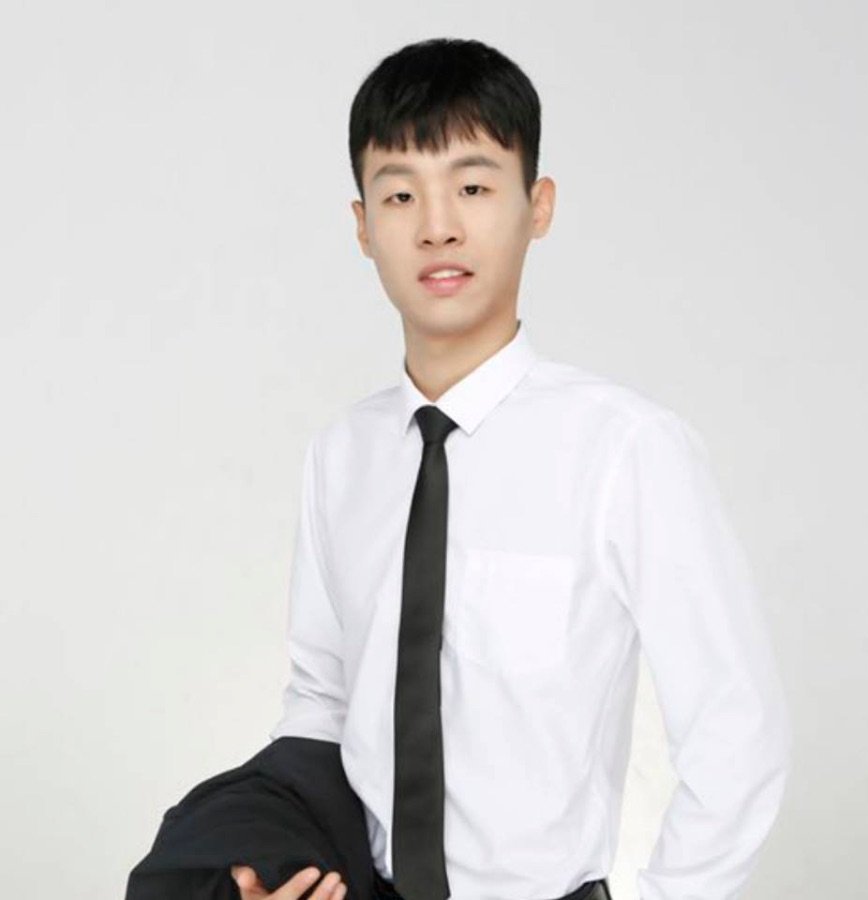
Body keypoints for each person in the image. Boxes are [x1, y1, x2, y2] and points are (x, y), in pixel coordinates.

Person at [126, 37, 792, 900]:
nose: (436, 225)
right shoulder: (341, 456)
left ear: (538, 206)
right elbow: (323, 707)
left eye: (473, 187)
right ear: (363, 225)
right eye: (400, 193)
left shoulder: (626, 450)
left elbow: (737, 730)